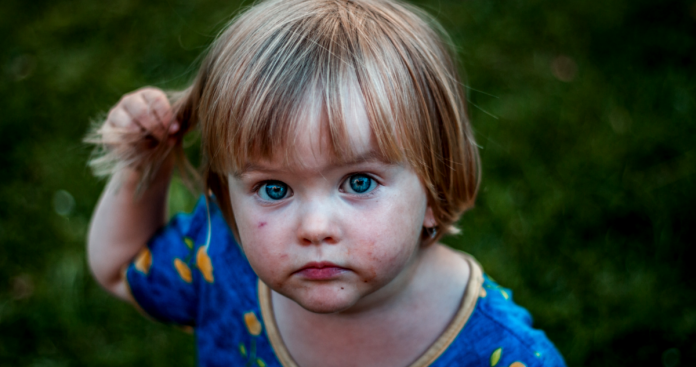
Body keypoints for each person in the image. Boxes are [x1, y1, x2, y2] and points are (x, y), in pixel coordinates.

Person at [86, 0, 566, 366]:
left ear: (434, 189)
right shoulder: (223, 263)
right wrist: (144, 162)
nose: (314, 227)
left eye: (358, 182)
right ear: (226, 198)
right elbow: (121, 267)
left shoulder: (503, 354)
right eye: (274, 189)